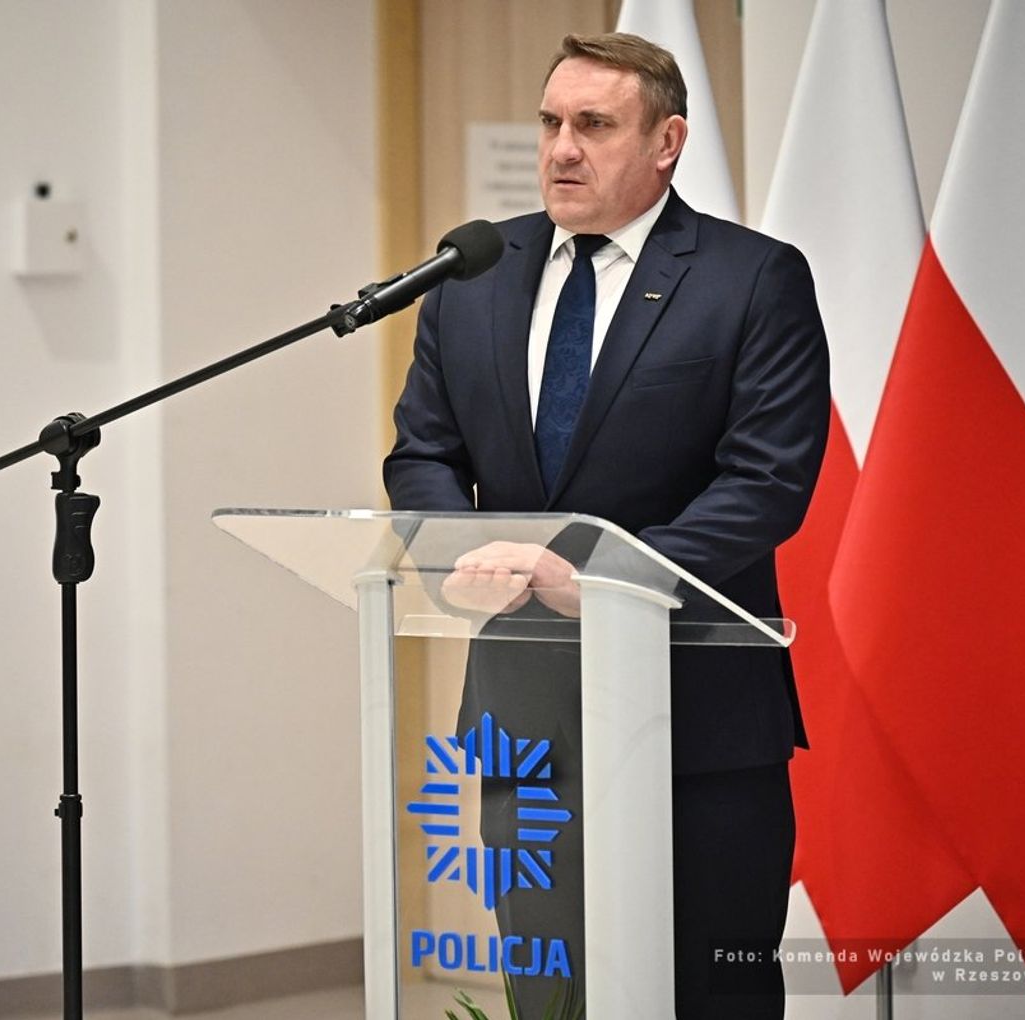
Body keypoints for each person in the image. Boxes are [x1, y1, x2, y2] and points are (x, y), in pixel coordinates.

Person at [385, 33, 830, 1018]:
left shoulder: (751, 278)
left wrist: (597, 574)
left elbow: (766, 481)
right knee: (553, 997)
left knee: (712, 996)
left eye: (594, 125)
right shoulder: (471, 274)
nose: (561, 148)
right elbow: (423, 454)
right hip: (525, 721)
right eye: (550, 122)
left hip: (699, 717)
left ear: (667, 142)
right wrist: (457, 551)